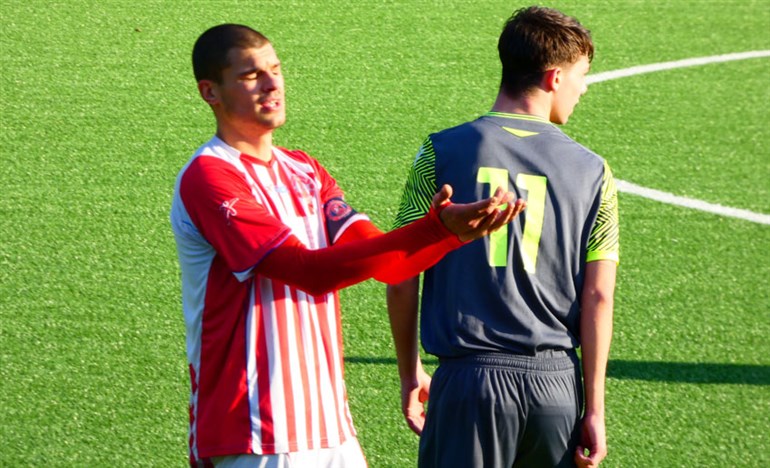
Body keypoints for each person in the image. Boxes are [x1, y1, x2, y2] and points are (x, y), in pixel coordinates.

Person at [169, 24, 526, 467]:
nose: (272, 83)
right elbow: (308, 272)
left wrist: (454, 234)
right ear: (210, 92)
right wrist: (435, 231)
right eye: (250, 75)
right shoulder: (211, 177)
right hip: (255, 433)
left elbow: (389, 265)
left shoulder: (305, 170)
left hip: (330, 429)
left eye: (276, 69)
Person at [386, 6, 619, 468]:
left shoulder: (440, 151)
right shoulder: (596, 173)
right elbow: (598, 297)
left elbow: (401, 271)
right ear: (554, 77)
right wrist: (594, 407)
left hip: (469, 387)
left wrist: (410, 370)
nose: (584, 87)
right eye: (582, 74)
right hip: (555, 387)